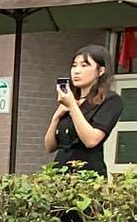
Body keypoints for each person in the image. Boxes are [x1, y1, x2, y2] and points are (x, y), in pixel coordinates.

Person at [45, 44, 123, 177]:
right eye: (74, 65)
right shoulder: (72, 100)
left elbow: (91, 140)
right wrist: (56, 117)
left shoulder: (111, 100)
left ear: (101, 71)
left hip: (87, 176)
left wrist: (72, 107)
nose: (76, 71)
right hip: (59, 176)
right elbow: (49, 147)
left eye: (84, 65)